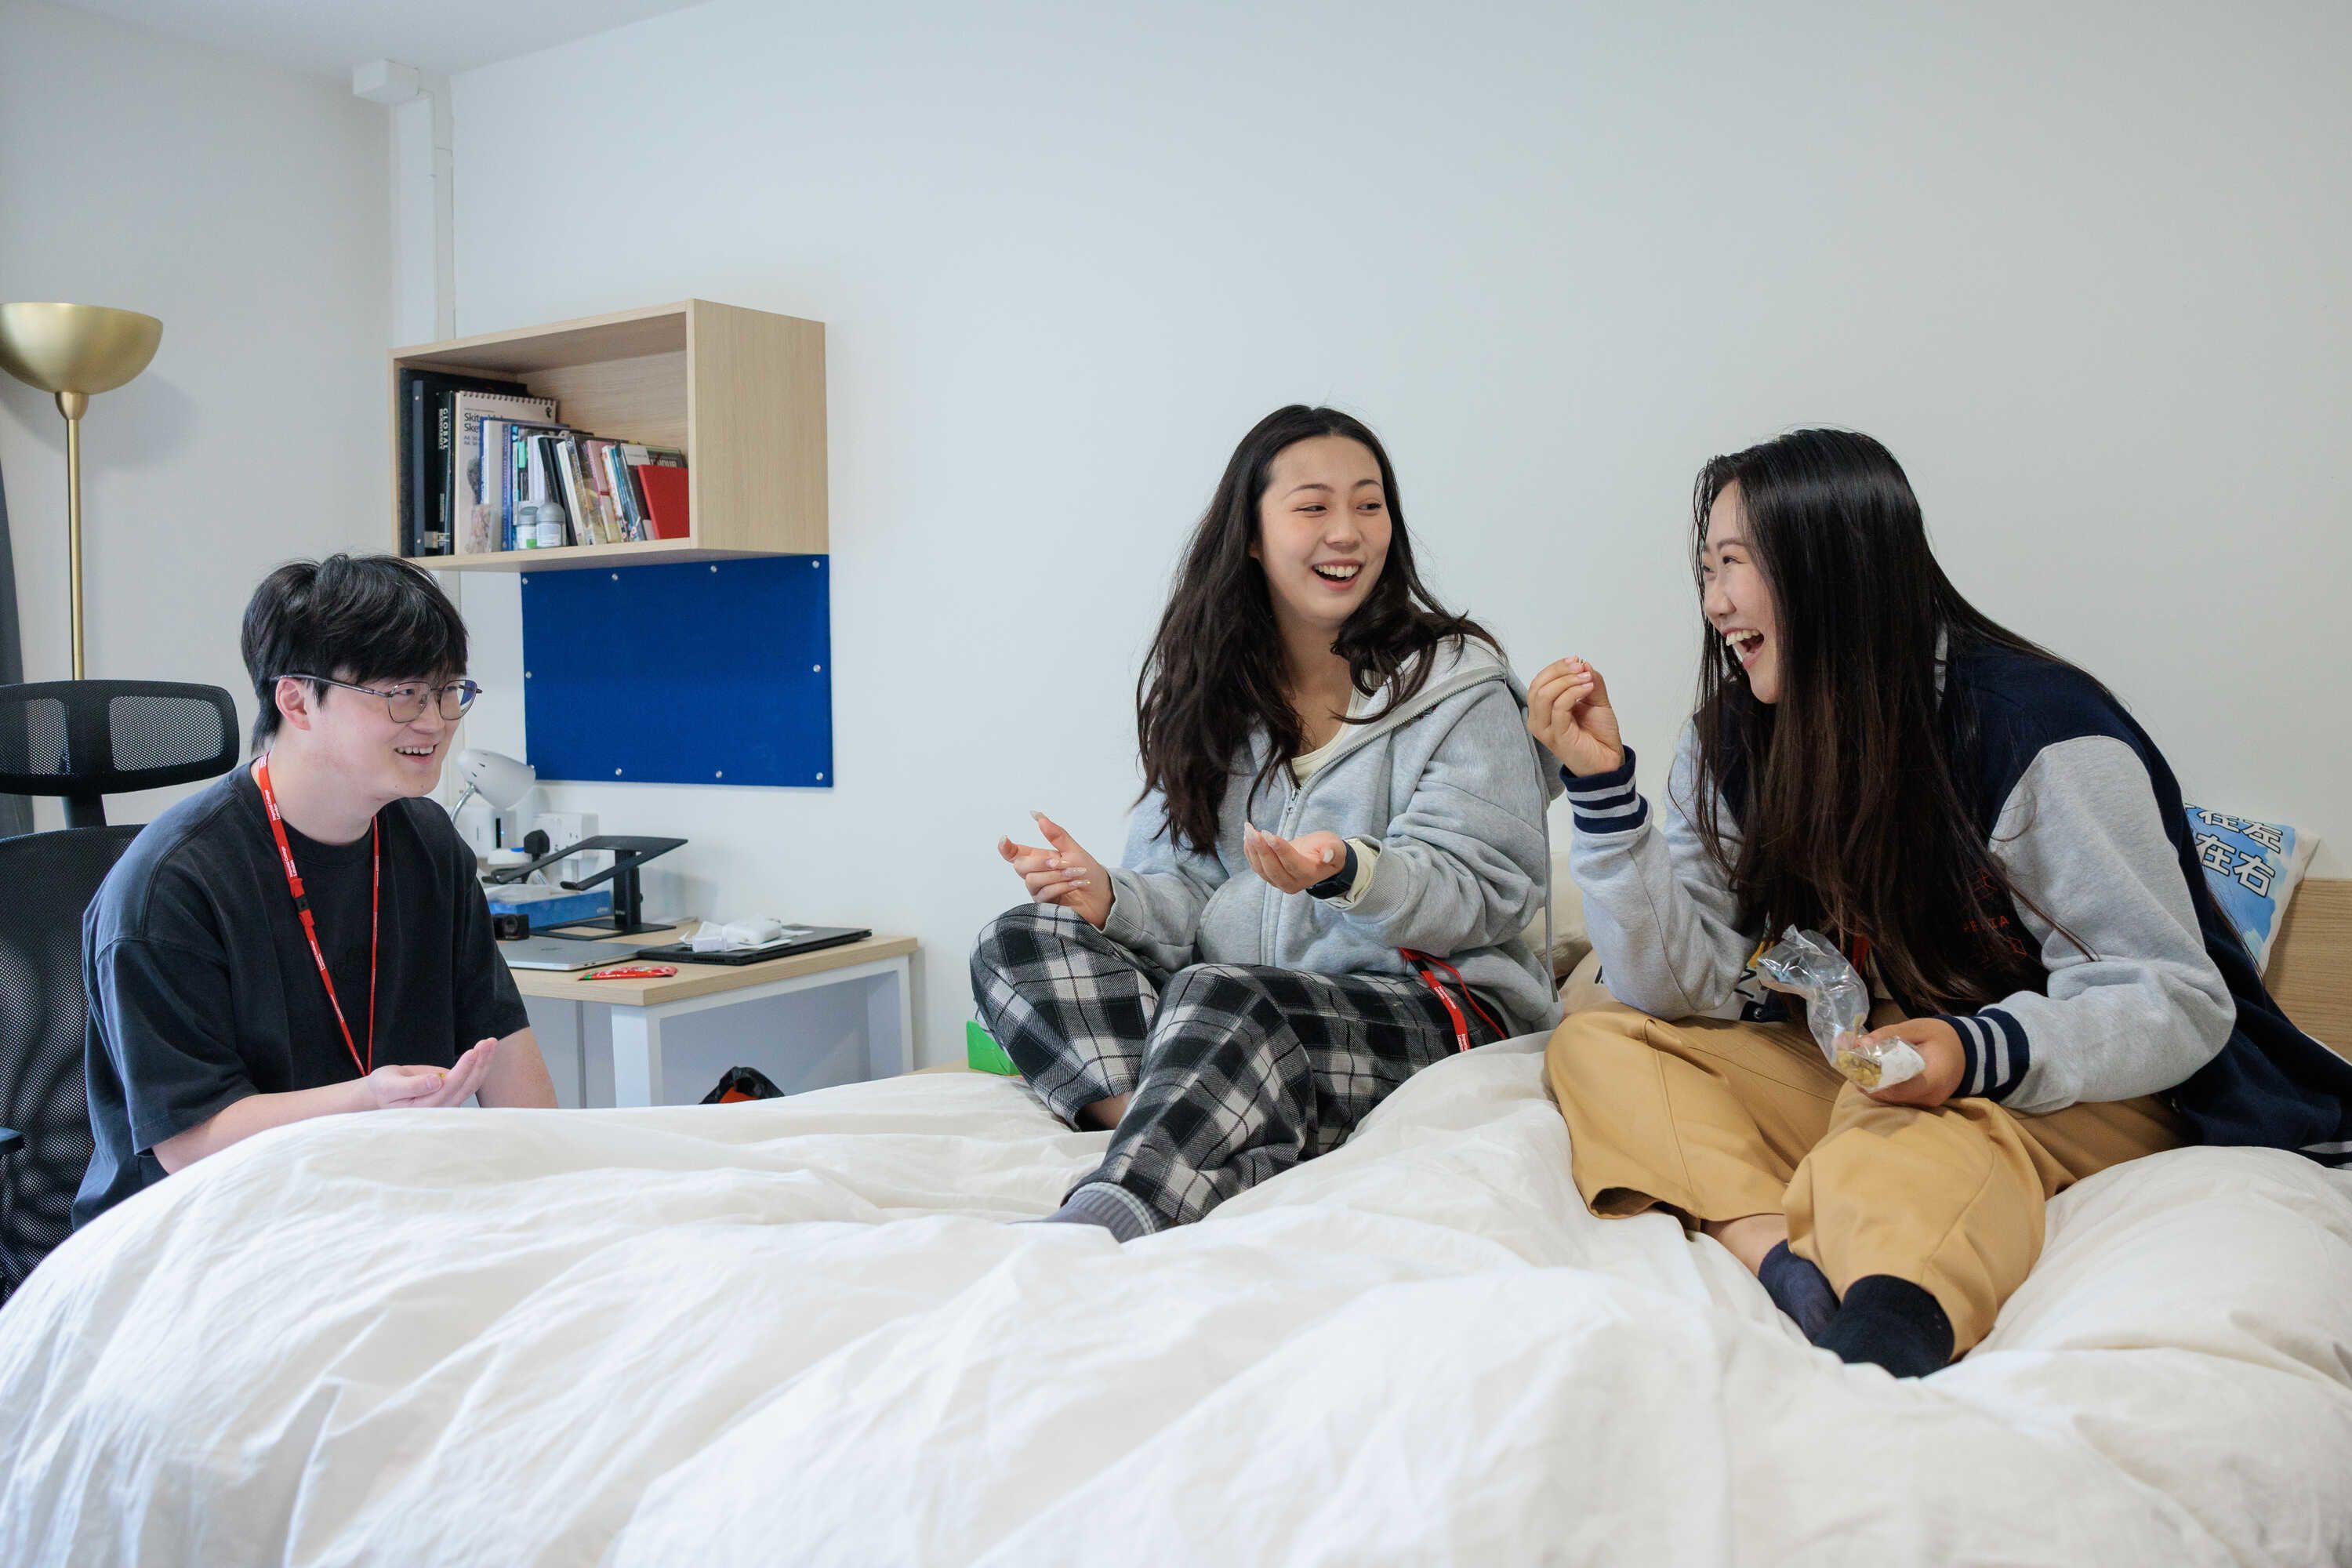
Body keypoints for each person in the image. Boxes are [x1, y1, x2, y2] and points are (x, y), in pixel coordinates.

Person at [1534, 428, 2351, 1376]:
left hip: (2102, 1078)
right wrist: (1602, 797)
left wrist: (1973, 1050)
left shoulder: (2037, 732)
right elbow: (1670, 984)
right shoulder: (1730, 741)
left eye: (1734, 565)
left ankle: (1883, 1340)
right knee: (1598, 1039)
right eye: (1705, 569)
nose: (1714, 602)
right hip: (1890, 1047)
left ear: (1828, 564)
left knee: (1913, 1126)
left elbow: (2178, 997)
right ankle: (1783, 1263)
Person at [969, 405, 1559, 1240]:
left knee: (1223, 999)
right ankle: (1177, 1113)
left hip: (1431, 1008)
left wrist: (1352, 870)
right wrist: (1111, 899)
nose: (1348, 532)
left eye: (1369, 503)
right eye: (1314, 507)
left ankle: (1118, 1210)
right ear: (1251, 534)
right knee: (1019, 940)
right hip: (1241, 1008)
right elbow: (1192, 897)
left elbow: (1489, 888)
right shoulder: (1211, 699)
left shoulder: (1458, 685)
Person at [75, 554, 556, 1227]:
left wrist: (564, 1189)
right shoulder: (171, 886)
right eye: (402, 693)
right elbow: (192, 1143)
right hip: (200, 1233)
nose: (436, 721)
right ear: (297, 700)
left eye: (448, 690)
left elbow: (503, 1049)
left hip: (376, 1211)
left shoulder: (428, 843)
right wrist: (367, 1105)